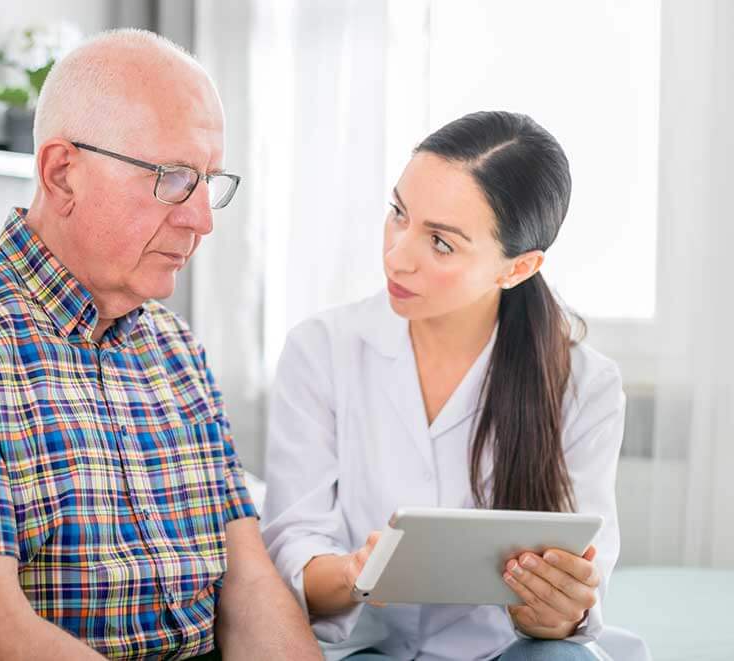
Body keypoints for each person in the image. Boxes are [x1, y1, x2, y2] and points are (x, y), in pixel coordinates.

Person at [0, 29, 320, 661]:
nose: (202, 218)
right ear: (62, 173)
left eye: (208, 180)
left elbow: (249, 583)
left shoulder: (176, 348)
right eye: (175, 178)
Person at [261, 111, 625, 661]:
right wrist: (353, 574)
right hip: (362, 650)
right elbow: (294, 544)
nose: (397, 256)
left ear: (518, 268)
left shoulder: (585, 385)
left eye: (441, 243)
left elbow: (583, 582)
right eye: (398, 214)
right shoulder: (321, 349)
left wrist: (554, 610)